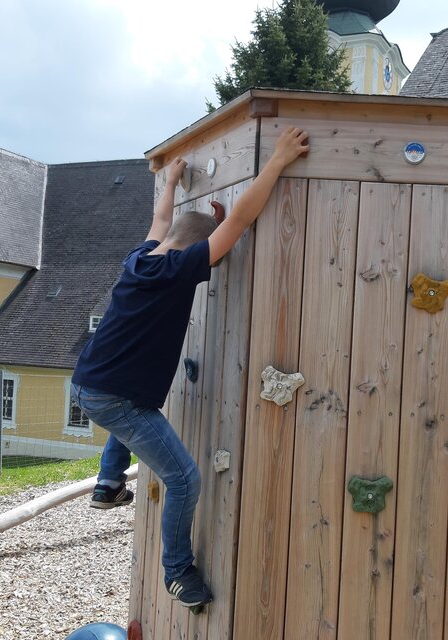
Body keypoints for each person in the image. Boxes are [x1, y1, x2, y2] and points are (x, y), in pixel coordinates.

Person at [70, 127, 310, 607]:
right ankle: (177, 571)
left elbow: (164, 221)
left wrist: (173, 182)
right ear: (197, 255)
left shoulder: (139, 259)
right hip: (115, 397)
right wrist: (278, 161)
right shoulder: (180, 271)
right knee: (183, 478)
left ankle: (109, 483)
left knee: (133, 410)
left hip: (87, 382)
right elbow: (239, 221)